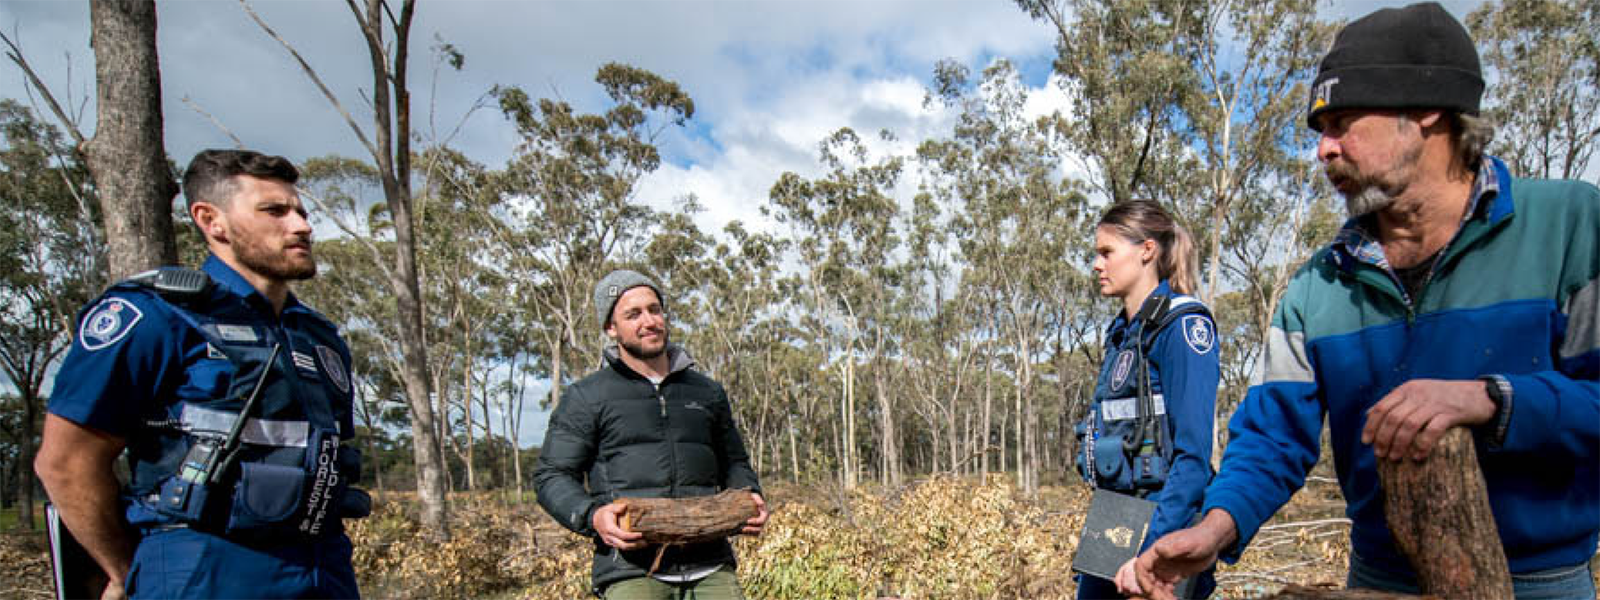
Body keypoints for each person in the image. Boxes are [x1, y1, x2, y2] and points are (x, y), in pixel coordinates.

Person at [1131, 3, 1600, 599]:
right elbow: (1272, 438)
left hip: (1542, 583)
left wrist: (1493, 399)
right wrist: (1215, 529)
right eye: (1319, 131)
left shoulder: (1570, 227)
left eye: (1342, 122)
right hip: (1377, 583)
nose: (1322, 150)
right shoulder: (1317, 288)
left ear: (1427, 109)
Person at [35, 149, 369, 599]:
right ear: (212, 221)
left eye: (300, 212)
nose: (301, 225)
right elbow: (66, 463)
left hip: (321, 570)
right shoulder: (156, 317)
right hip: (200, 571)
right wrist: (122, 570)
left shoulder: (318, 337)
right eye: (275, 211)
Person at [534, 269, 769, 599]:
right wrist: (593, 516)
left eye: (654, 309)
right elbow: (551, 476)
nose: (649, 321)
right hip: (631, 569)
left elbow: (734, 462)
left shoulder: (706, 392)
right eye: (633, 314)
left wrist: (748, 495)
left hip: (710, 564)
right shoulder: (587, 397)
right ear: (611, 328)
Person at [1076, 200, 1218, 600]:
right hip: (1115, 511)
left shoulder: (1182, 325)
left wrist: (1155, 550)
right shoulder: (1122, 334)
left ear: (1147, 250)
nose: (1097, 265)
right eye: (1096, 254)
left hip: (1167, 512)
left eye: (1106, 253)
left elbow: (1192, 456)